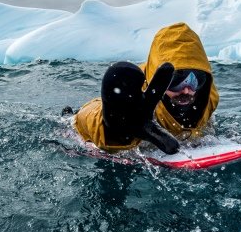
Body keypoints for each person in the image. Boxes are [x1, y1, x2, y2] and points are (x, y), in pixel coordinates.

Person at [74, 22, 219, 154]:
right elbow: (87, 115)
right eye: (177, 79)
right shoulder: (138, 92)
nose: (187, 90)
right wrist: (115, 128)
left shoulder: (208, 96)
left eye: (196, 80)